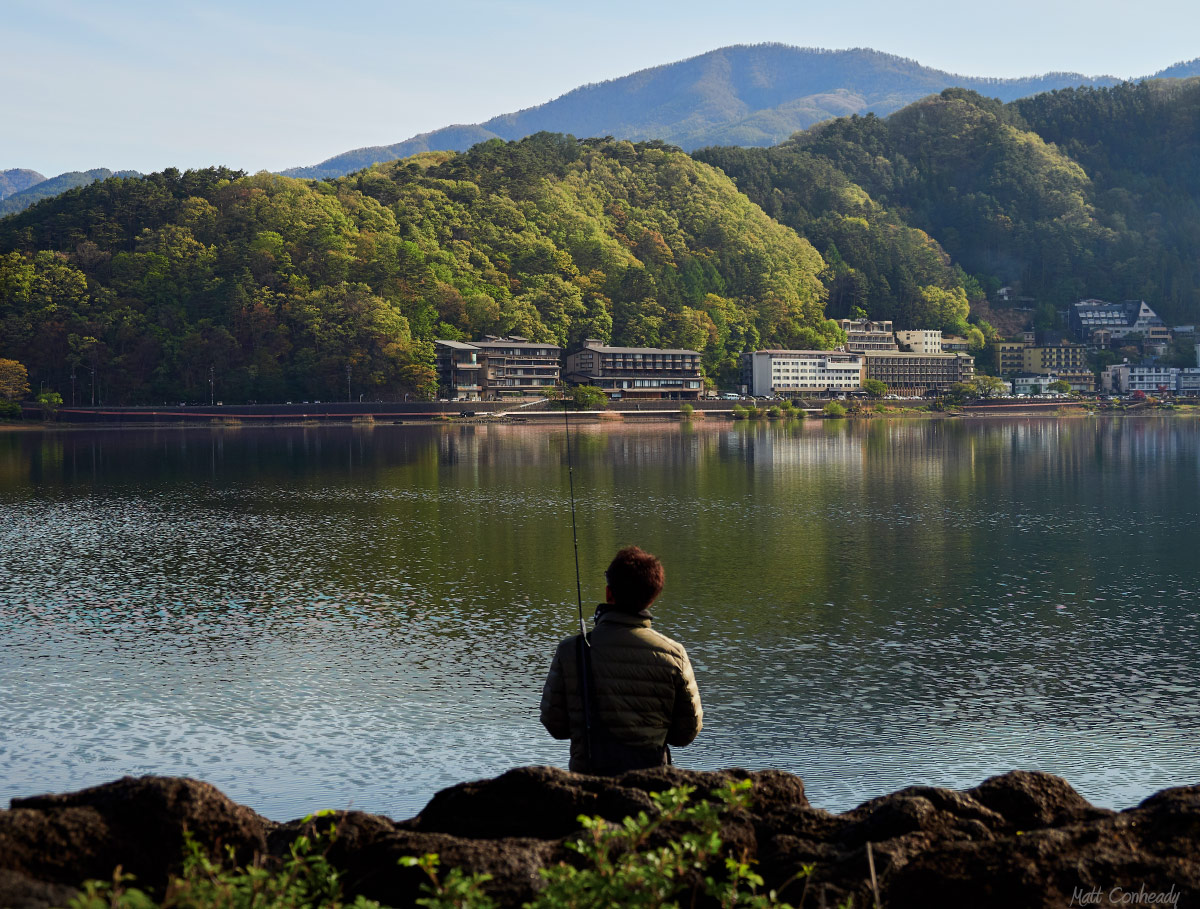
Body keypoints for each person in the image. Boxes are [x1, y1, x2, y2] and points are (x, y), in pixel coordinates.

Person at [539, 545, 703, 774]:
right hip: (652, 782)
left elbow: (554, 724)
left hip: (587, 781)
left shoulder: (571, 650)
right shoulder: (674, 655)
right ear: (651, 599)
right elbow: (687, 732)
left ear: (609, 594)